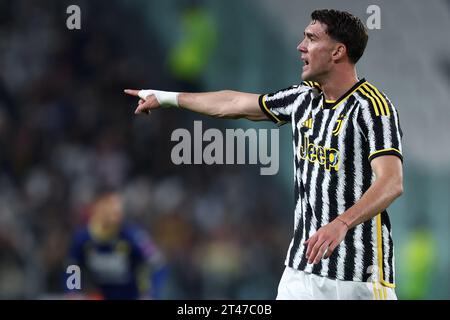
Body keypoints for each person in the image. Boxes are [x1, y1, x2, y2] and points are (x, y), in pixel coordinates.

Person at [124, 9, 403, 300]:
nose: (301, 46)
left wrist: (342, 222)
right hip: (301, 272)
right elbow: (234, 103)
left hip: (359, 277)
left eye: (311, 38)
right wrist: (167, 98)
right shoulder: (303, 98)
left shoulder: (373, 108)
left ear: (337, 52)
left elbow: (392, 182)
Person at [66, 191, 167, 300]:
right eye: (110, 204)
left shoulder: (133, 235)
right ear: (96, 207)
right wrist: (73, 292)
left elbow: (157, 264)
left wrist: (149, 294)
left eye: (119, 205)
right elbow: (73, 266)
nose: (117, 209)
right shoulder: (82, 238)